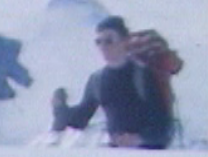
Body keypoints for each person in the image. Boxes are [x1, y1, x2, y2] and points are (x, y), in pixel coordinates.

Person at [51, 15, 173, 149]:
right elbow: (81, 118)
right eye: (99, 42)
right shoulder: (97, 80)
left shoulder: (144, 76)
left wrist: (139, 139)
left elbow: (163, 126)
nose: (103, 46)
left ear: (125, 42)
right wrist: (60, 109)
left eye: (109, 40)